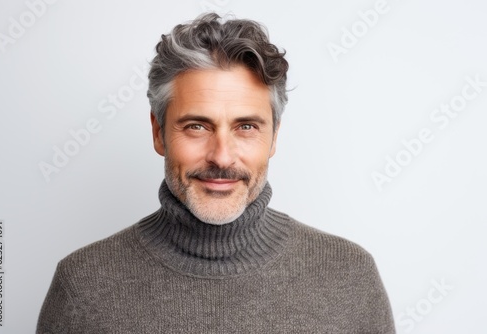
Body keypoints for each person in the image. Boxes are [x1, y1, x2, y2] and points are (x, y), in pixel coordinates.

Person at [37, 13, 395, 333]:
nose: (221, 156)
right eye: (197, 126)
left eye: (246, 127)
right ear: (158, 133)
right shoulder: (82, 286)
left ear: (273, 138)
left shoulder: (349, 277)